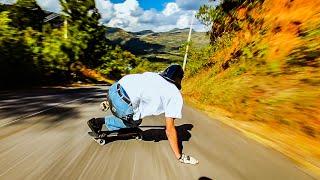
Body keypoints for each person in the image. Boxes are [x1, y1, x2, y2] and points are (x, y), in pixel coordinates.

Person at [87, 64, 198, 165]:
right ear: (179, 79)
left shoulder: (153, 75)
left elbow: (134, 86)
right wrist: (180, 156)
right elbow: (169, 130)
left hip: (113, 89)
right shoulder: (174, 94)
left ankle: (110, 104)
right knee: (135, 122)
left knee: (133, 108)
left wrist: (111, 101)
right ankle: (98, 122)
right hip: (122, 102)